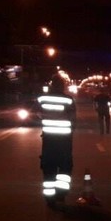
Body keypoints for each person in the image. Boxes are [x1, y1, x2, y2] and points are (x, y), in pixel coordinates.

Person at [37, 73, 76, 207]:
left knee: (49, 168)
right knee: (65, 167)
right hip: (64, 141)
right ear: (63, 86)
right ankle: (61, 194)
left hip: (49, 140)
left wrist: (46, 119)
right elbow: (73, 119)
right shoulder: (68, 100)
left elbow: (36, 114)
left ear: (51, 85)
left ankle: (50, 199)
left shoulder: (43, 99)